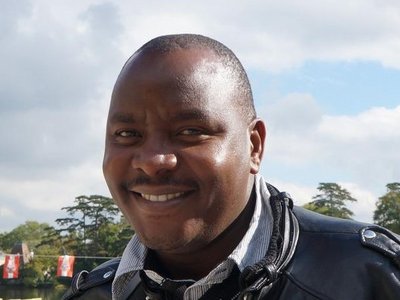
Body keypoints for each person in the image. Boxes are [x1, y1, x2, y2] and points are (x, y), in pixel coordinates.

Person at [63, 34, 400, 300]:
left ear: (254, 145)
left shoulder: (372, 278)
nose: (152, 161)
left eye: (190, 132)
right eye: (127, 134)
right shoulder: (94, 294)